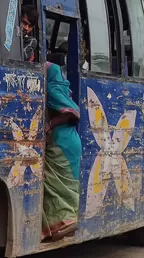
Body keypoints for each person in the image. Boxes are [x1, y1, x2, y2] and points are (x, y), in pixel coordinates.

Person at [41, 62, 82, 242]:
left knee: (54, 181)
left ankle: (63, 222)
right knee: (63, 183)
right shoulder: (62, 87)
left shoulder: (53, 89)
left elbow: (72, 113)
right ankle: (63, 221)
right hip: (70, 141)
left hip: (62, 143)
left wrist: (49, 125)